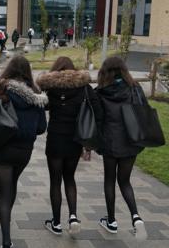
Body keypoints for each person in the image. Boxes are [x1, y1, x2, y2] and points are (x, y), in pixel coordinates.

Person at [0, 56, 47, 248]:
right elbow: (42, 127)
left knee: (4, 192)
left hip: (2, 148)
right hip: (24, 151)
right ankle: (7, 222)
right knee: (12, 185)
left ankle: (6, 241)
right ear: (28, 72)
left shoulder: (1, 90)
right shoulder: (36, 95)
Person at [36, 57, 103, 236]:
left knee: (55, 181)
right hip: (75, 140)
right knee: (70, 179)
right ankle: (73, 216)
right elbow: (97, 111)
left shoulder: (50, 88)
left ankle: (56, 223)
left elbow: (42, 106)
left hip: (56, 138)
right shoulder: (84, 88)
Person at [95, 56, 148, 240]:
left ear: (105, 71)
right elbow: (144, 112)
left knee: (109, 180)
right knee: (125, 181)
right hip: (131, 141)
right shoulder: (135, 88)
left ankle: (111, 220)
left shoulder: (101, 92)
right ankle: (136, 218)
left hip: (110, 142)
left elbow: (98, 120)